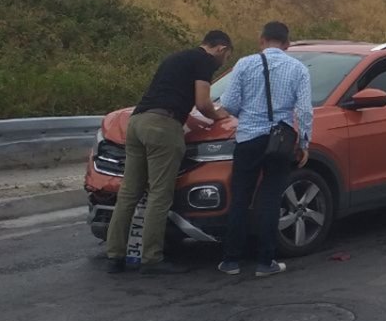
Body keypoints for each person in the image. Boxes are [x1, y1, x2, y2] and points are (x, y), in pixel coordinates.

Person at [104, 31, 233, 274]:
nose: (222, 62)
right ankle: (151, 258)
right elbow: (204, 103)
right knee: (159, 194)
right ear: (221, 49)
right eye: (226, 57)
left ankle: (115, 255)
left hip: (137, 123)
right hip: (163, 126)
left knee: (129, 193)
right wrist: (220, 115)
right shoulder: (204, 61)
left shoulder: (176, 57)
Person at [216, 22, 313, 277]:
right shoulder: (298, 69)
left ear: (261, 40)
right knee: (271, 199)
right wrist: (304, 143)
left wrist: (249, 113)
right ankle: (265, 262)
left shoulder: (245, 64)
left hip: (247, 138)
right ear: (287, 43)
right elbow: (304, 110)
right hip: (279, 141)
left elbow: (229, 104)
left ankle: (231, 261)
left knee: (240, 198)